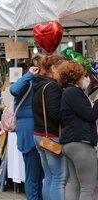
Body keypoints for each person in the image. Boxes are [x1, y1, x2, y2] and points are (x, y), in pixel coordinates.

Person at [56, 61, 98, 200]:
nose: (85, 78)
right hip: (81, 142)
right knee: (88, 187)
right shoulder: (74, 92)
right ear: (77, 77)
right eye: (83, 76)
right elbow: (90, 115)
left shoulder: (67, 92)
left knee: (73, 184)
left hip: (70, 143)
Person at [32, 54, 68, 200]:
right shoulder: (53, 86)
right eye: (62, 68)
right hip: (51, 137)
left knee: (49, 176)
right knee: (59, 177)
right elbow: (55, 113)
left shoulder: (39, 84)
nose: (65, 72)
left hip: (39, 135)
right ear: (53, 68)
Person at [9, 63, 44, 200]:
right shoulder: (27, 83)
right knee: (32, 175)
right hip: (29, 134)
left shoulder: (41, 84)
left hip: (38, 131)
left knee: (40, 176)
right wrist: (29, 74)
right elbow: (14, 90)